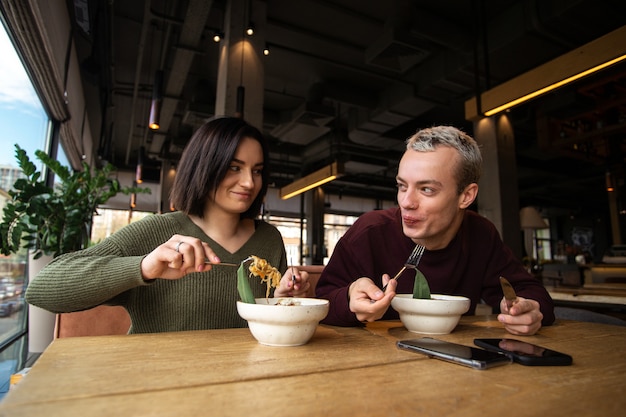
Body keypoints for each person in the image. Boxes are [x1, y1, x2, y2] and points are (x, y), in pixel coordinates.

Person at [26, 117, 310, 333]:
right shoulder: (159, 233)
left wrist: (281, 300)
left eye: (257, 171)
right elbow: (42, 288)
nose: (249, 182)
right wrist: (144, 268)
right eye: (234, 167)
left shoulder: (269, 239)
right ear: (204, 166)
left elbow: (266, 326)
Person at [315, 125, 554, 336]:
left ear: (466, 196)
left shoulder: (480, 234)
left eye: (426, 189)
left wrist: (528, 310)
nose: (406, 202)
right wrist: (348, 299)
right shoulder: (369, 232)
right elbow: (321, 302)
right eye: (402, 186)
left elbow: (530, 294)